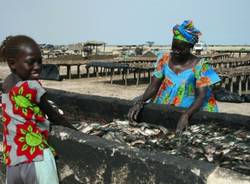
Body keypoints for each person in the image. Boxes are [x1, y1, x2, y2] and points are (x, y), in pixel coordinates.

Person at [0, 35, 76, 184]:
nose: (37, 66)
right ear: (12, 63)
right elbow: (55, 117)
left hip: (12, 160)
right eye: (31, 62)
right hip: (36, 158)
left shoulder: (6, 85)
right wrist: (75, 131)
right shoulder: (31, 86)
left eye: (40, 61)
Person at [128, 20, 221, 135]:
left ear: (190, 47)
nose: (176, 51)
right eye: (174, 47)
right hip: (165, 102)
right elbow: (153, 85)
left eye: (180, 49)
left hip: (192, 108)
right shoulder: (164, 59)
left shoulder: (201, 66)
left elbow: (201, 96)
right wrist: (140, 102)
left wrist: (186, 115)